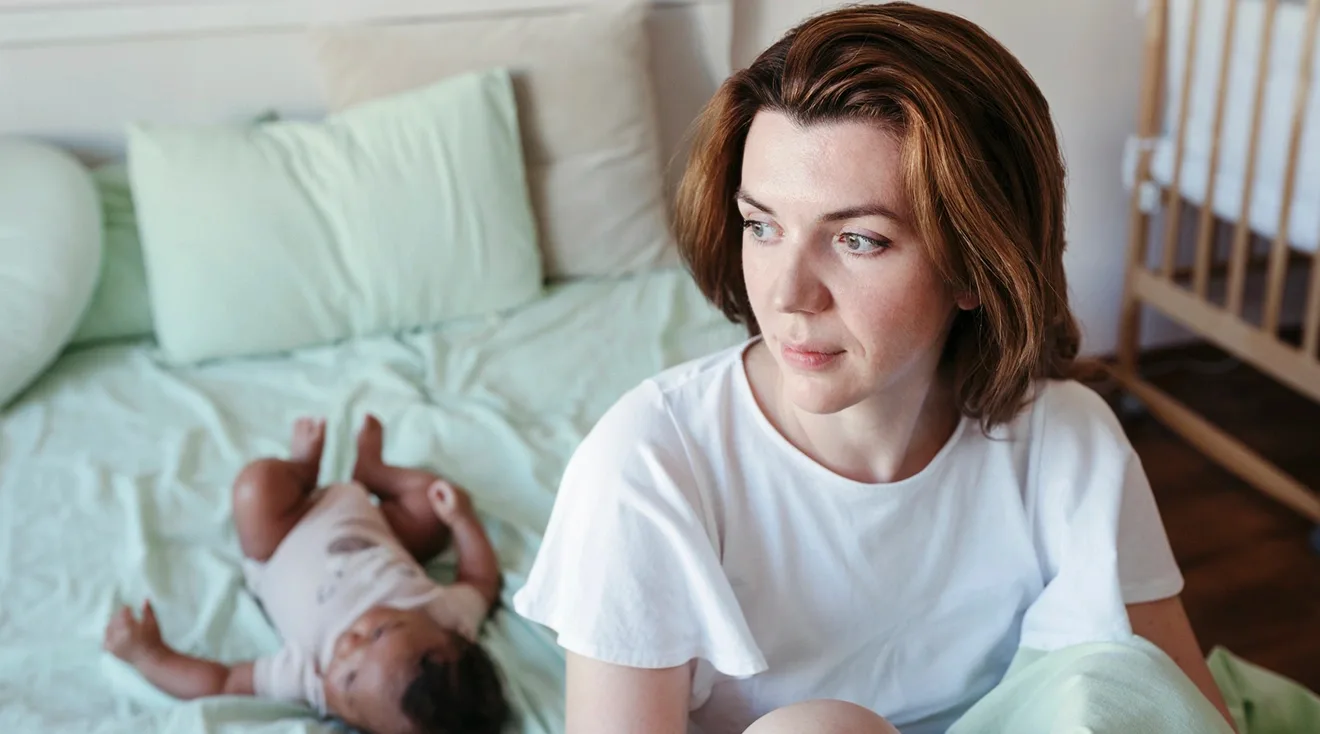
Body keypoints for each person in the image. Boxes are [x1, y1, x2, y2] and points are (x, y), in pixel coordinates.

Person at [510, 3, 1236, 733]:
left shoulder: (1066, 444)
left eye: (857, 240)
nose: (788, 294)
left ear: (977, 265)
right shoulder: (648, 466)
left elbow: (1174, 710)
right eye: (761, 226)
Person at [103, 416, 510, 734]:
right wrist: (461, 520)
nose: (350, 645)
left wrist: (149, 656)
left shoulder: (308, 676)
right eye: (381, 631)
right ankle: (374, 472)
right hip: (380, 525)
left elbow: (222, 681)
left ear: (347, 719)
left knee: (256, 485)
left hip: (282, 535)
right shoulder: (445, 616)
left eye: (348, 680)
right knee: (432, 500)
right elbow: (480, 580)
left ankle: (300, 470)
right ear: (452, 636)